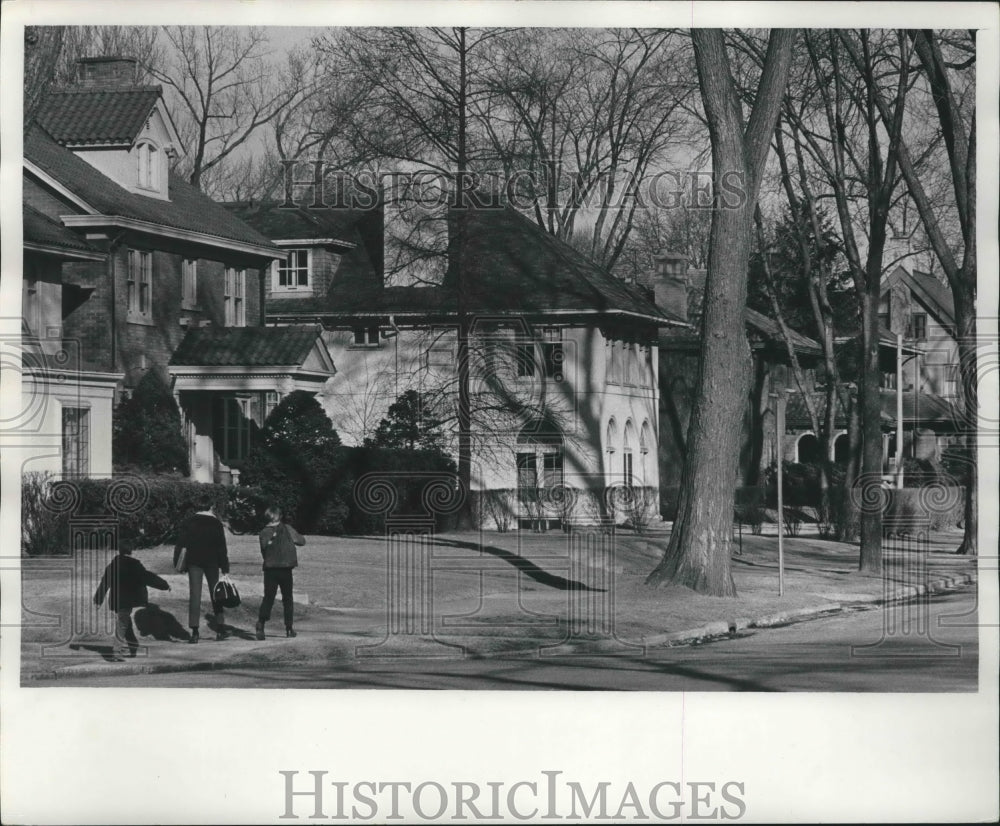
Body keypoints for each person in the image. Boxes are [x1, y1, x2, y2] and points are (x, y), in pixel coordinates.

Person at [93, 546, 170, 661]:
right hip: (128, 599)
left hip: (117, 600)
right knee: (123, 623)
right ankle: (117, 651)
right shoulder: (135, 565)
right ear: (131, 552)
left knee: (124, 621)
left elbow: (105, 583)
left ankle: (133, 645)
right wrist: (164, 585)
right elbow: (148, 577)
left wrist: (98, 600)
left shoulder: (112, 566)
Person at [173, 497, 231, 643]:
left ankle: (194, 631)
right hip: (212, 562)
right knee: (216, 593)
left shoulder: (189, 522)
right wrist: (225, 567)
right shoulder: (216, 523)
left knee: (195, 595)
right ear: (211, 506)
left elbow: (180, 544)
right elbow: (221, 547)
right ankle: (220, 628)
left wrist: (178, 563)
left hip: (194, 562)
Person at [255, 506, 305, 640]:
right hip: (286, 568)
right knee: (287, 598)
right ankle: (289, 628)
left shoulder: (263, 532)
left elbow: (264, 550)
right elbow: (301, 541)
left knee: (268, 598)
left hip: (270, 569)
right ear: (279, 516)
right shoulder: (287, 528)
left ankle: (261, 623)